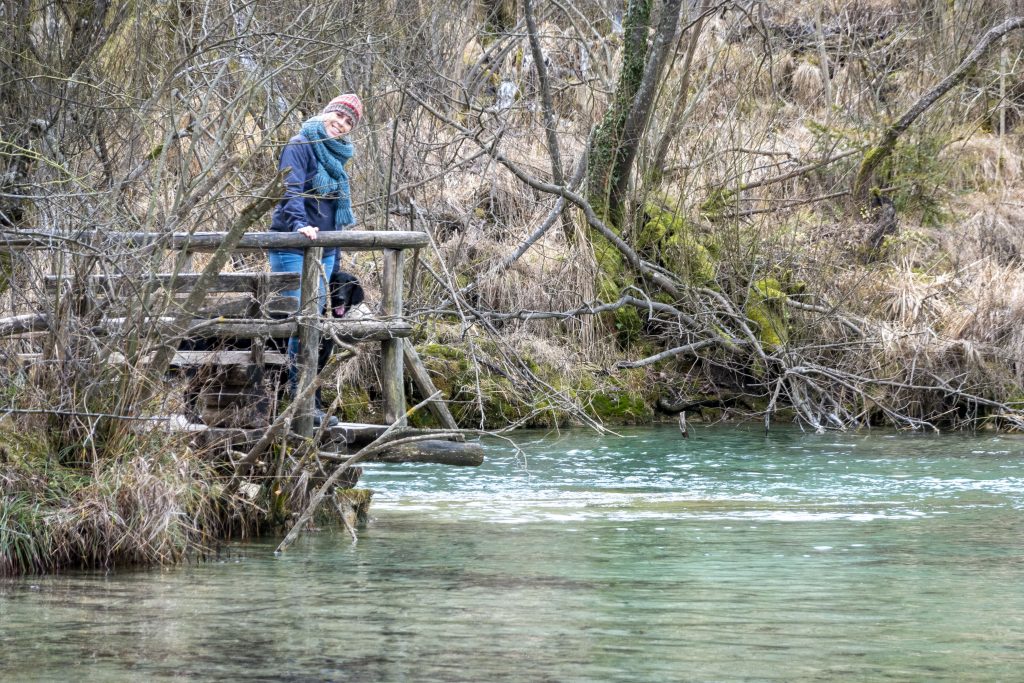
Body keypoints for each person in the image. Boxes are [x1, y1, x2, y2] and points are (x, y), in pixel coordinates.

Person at [269, 93, 363, 427]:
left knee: (316, 324)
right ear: (325, 114)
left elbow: (333, 206)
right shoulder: (300, 143)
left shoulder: (338, 156)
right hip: (293, 244)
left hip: (325, 247)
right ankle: (296, 400)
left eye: (348, 122)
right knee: (301, 318)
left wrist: (335, 240)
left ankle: (305, 398)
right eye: (337, 117)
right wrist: (299, 225)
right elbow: (290, 189)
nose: (340, 125)